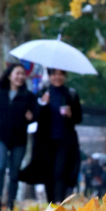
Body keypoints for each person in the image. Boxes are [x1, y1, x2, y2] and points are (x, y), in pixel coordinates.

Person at [20, 68, 82, 203]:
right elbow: (34, 116)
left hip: (65, 141)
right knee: (48, 174)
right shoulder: (42, 94)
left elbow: (78, 118)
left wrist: (71, 115)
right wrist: (42, 103)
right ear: (49, 76)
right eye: (54, 74)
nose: (57, 77)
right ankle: (51, 204)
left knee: (60, 172)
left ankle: (59, 202)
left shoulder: (70, 94)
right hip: (45, 142)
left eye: (60, 74)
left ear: (65, 76)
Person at [0, 63, 37, 211]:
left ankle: (11, 205)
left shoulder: (28, 96)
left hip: (19, 139)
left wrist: (31, 117)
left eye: (22, 74)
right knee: (0, 167)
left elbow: (35, 116)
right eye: (17, 73)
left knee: (14, 172)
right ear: (9, 75)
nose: (20, 77)